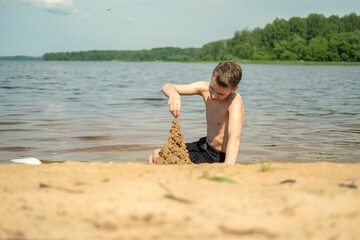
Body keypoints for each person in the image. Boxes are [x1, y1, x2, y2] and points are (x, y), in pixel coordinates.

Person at [148, 61, 244, 164]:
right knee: (153, 156)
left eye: (220, 94)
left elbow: (234, 136)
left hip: (215, 156)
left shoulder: (235, 103)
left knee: (158, 157)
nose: (213, 96)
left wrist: (228, 165)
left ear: (233, 89)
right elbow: (167, 86)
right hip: (203, 145)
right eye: (212, 88)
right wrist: (173, 94)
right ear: (212, 78)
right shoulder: (204, 88)